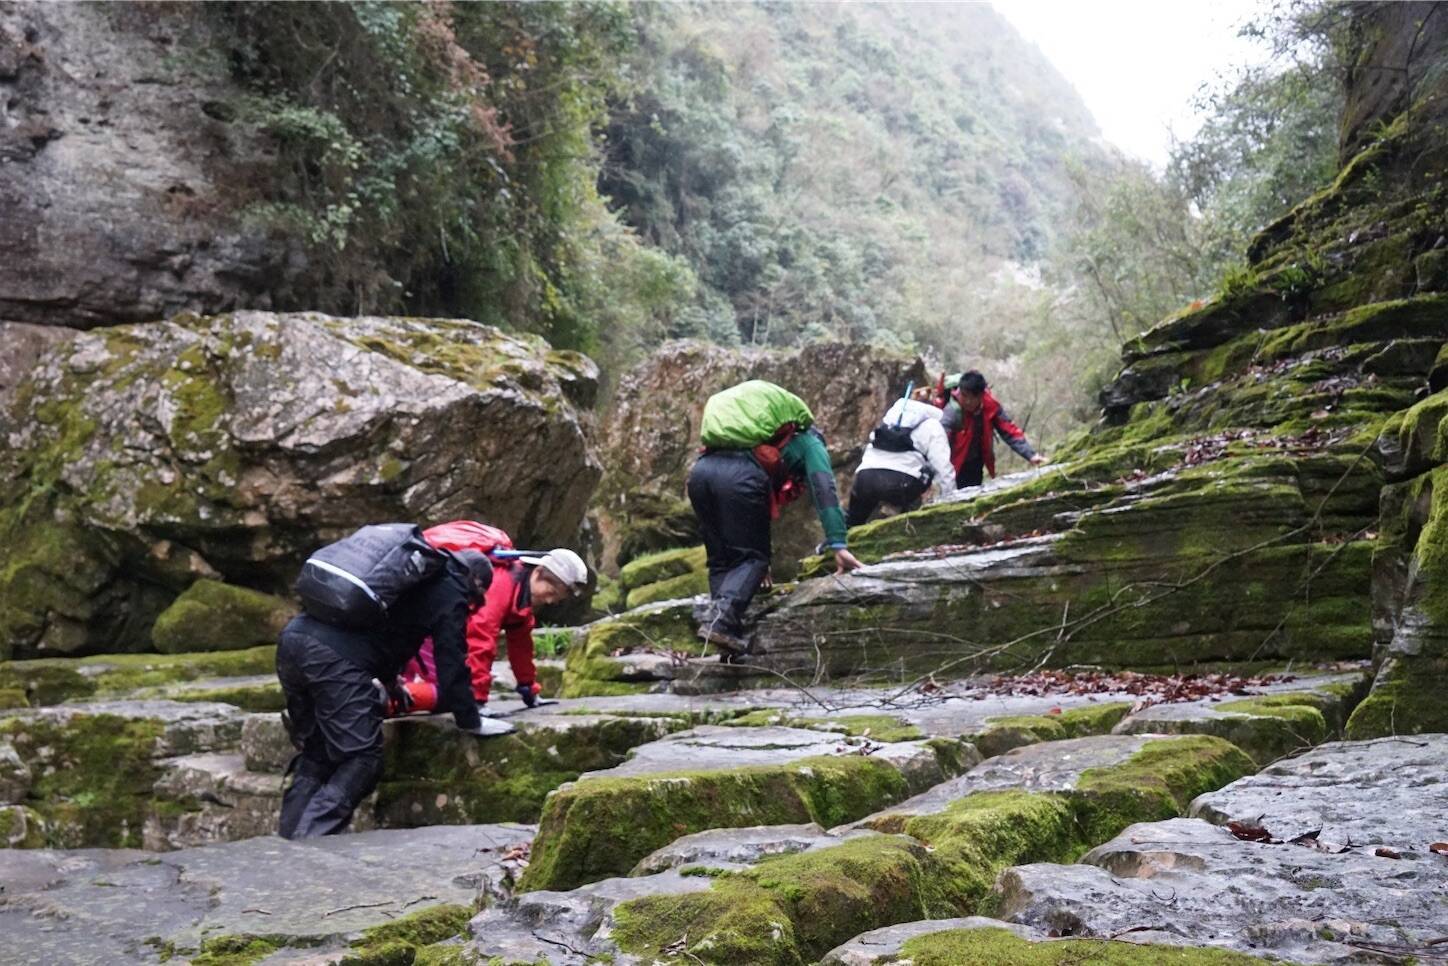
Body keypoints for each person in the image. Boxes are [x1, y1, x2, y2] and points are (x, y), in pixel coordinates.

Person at [275, 544, 494, 839]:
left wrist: (392, 682)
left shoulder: (412, 575)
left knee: (318, 753)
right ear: (475, 582)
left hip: (292, 642)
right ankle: (311, 842)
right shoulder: (451, 586)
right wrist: (471, 719)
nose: (470, 606)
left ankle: (286, 843)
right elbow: (451, 662)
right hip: (332, 658)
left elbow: (385, 632)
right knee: (362, 759)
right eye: (475, 600)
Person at [687, 379, 863, 656]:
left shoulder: (757, 440)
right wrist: (838, 543)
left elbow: (752, 519)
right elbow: (824, 488)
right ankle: (720, 623)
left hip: (701, 474)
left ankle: (725, 637)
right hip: (739, 478)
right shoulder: (809, 442)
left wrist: (751, 573)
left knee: (722, 558)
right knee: (753, 558)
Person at [395, 524, 588, 711]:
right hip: (419, 624)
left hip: (425, 624)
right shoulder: (501, 585)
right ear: (538, 573)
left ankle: (380, 695)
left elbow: (521, 645)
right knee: (451, 693)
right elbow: (479, 641)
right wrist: (477, 699)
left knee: (443, 688)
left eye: (557, 598)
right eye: (551, 592)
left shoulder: (520, 593)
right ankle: (378, 700)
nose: (550, 601)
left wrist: (528, 688)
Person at [846, 395, 957, 527]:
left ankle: (843, 539)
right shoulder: (933, 425)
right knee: (928, 471)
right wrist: (953, 505)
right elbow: (943, 469)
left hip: (865, 478)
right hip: (901, 485)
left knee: (853, 522)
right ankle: (903, 519)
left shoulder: (891, 419)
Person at [939, 370, 1047, 488]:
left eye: (972, 398)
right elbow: (939, 442)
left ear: (981, 396)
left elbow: (1009, 431)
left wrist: (1030, 455)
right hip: (954, 466)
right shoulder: (951, 413)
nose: (967, 402)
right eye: (964, 396)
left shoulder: (990, 405)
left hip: (976, 462)